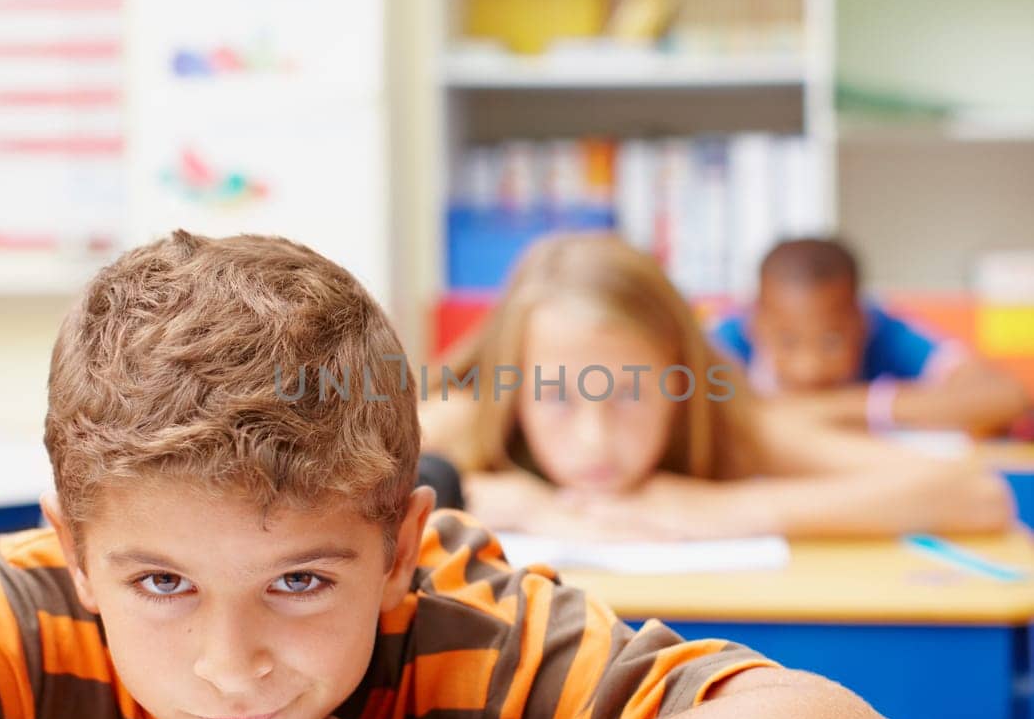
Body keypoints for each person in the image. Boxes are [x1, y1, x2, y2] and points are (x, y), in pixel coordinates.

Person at [0, 229, 936, 719]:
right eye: (162, 583)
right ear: (78, 551)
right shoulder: (28, 605)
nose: (230, 664)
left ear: (398, 548)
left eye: (300, 581)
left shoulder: (464, 624)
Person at [420, 231, 1013, 541]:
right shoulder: (468, 417)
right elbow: (334, 491)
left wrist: (730, 509)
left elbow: (979, 496)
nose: (595, 442)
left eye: (630, 394)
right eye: (553, 396)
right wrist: (510, 502)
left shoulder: (730, 425)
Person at [712, 237, 1029, 437]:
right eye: (787, 342)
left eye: (831, 342)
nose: (809, 368)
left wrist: (847, 406)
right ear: (756, 325)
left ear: (861, 322)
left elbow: (1006, 397)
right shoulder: (726, 341)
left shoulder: (886, 333)